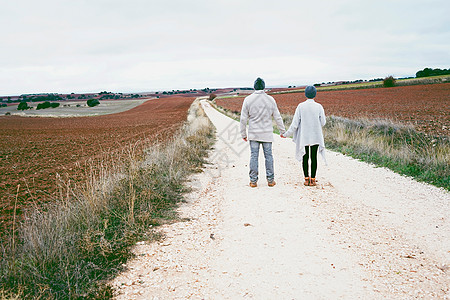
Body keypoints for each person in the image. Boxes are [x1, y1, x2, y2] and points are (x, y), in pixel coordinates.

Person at [240, 77, 286, 188]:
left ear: (254, 87)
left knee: (254, 157)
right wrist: (282, 131)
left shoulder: (248, 100)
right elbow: (277, 117)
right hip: (267, 133)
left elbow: (243, 119)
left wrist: (243, 134)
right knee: (269, 156)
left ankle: (253, 181)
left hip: (254, 133)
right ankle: (270, 180)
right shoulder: (270, 100)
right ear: (264, 87)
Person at [281, 85, 326, 186]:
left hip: (304, 136)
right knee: (314, 157)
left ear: (305, 94)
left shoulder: (301, 106)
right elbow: (323, 122)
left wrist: (286, 134)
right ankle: (313, 179)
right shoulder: (319, 107)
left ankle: (306, 179)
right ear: (315, 94)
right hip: (315, 136)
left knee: (305, 157)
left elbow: (295, 124)